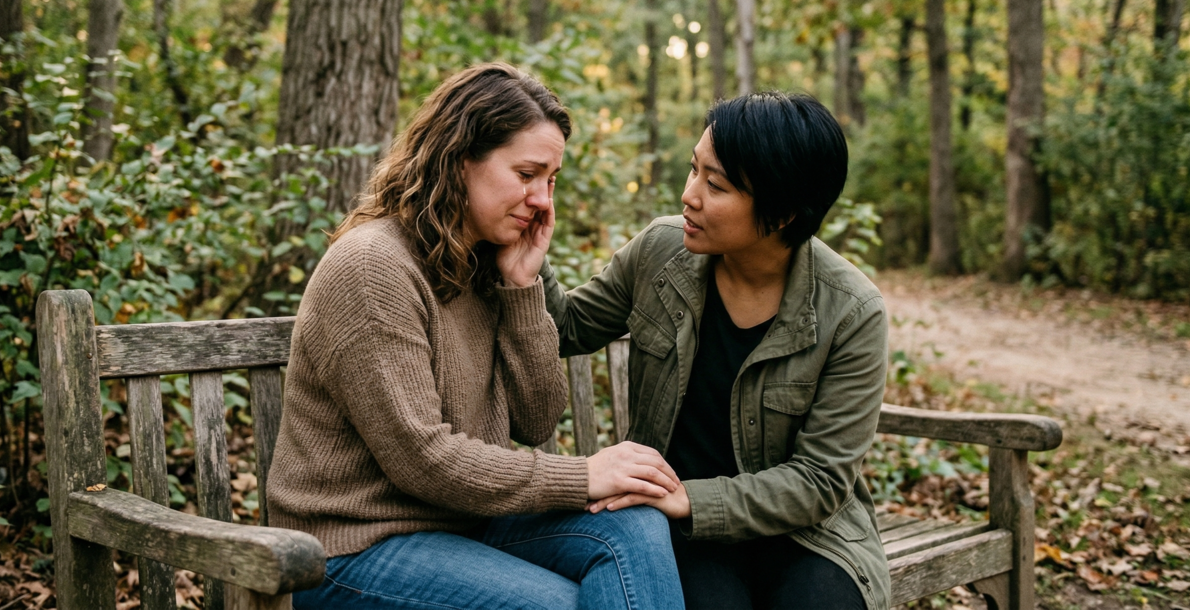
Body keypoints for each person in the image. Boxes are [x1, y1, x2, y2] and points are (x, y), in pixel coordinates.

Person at [268, 62, 686, 610]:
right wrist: (584, 473)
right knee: (562, 605)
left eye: (551, 180)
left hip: (463, 522)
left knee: (635, 524)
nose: (542, 200)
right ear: (461, 159)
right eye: (526, 174)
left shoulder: (484, 262)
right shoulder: (374, 267)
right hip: (352, 548)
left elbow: (536, 420)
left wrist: (520, 286)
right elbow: (425, 460)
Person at [540, 91, 891, 610]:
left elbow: (820, 480)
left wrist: (692, 499)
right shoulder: (661, 250)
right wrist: (532, 255)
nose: (689, 196)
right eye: (693, 170)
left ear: (782, 213)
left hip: (809, 538)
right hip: (679, 533)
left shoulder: (852, 311)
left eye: (716, 184)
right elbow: (567, 327)